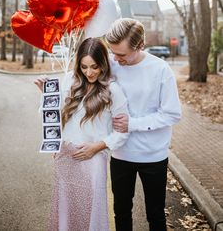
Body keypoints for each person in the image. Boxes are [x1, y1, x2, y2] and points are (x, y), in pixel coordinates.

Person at [34, 37, 130, 231]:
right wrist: (46, 96)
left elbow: (122, 133)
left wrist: (97, 147)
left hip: (93, 159)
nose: (89, 73)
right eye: (84, 67)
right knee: (66, 208)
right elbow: (57, 116)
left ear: (103, 63)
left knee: (92, 210)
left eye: (94, 67)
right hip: (66, 156)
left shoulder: (113, 91)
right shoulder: (70, 79)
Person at [105, 18, 182, 231]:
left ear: (140, 46)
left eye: (121, 54)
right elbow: (85, 82)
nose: (115, 58)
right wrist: (51, 88)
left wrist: (133, 124)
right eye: (113, 52)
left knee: (155, 215)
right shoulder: (112, 64)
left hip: (153, 156)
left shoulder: (160, 70)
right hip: (120, 154)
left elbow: (172, 114)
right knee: (121, 212)